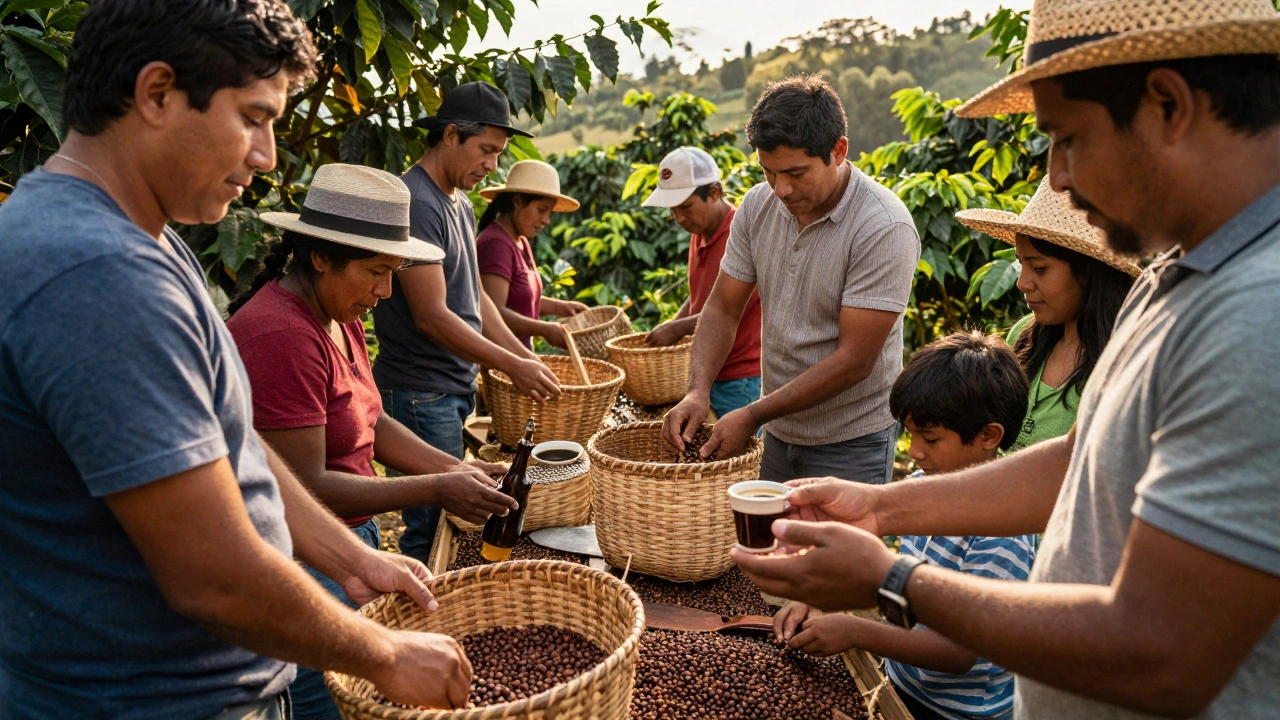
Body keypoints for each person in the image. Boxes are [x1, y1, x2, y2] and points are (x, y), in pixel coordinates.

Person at [733, 1, 1280, 718]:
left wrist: (896, 581)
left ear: (1168, 106)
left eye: (1066, 138)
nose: (1054, 177)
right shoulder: (1181, 275)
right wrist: (880, 505)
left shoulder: (1257, 314)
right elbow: (1085, 461)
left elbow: (1162, 653)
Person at [0, 2, 474, 718]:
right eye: (254, 118)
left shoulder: (144, 239)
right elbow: (211, 576)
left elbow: (226, 447)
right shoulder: (96, 271)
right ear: (156, 94)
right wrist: (385, 655)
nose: (267, 156)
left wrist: (351, 560)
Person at [225, 163, 519, 720]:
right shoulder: (282, 336)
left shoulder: (337, 311)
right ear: (320, 257)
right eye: (376, 272)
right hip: (306, 561)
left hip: (347, 545)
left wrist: (455, 468)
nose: (386, 291)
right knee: (329, 704)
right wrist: (435, 488)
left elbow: (371, 422)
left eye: (396, 271)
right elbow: (307, 492)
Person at [663, 74, 921, 484]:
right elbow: (724, 308)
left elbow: (855, 360)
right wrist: (697, 390)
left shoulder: (882, 227)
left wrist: (753, 413)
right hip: (779, 431)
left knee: (836, 547)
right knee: (769, 544)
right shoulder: (756, 206)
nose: (781, 189)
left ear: (838, 151)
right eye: (769, 172)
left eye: (797, 173)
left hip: (851, 440)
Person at [773, 331, 1033, 720]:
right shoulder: (919, 491)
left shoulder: (1004, 533)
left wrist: (857, 632)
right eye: (910, 434)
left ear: (988, 436)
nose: (914, 452)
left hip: (959, 711)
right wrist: (813, 597)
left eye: (930, 438)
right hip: (903, 684)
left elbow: (960, 654)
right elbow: (870, 566)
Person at [372, 81, 561, 564]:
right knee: (431, 525)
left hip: (448, 387)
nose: (492, 165)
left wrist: (522, 356)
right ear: (451, 134)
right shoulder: (417, 201)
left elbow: (474, 297)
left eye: (499, 153)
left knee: (446, 521)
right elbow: (433, 316)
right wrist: (509, 364)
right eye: (486, 150)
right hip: (418, 391)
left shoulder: (457, 200)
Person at [956, 178, 1139, 451]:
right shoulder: (1024, 336)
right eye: (1022, 265)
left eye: (1039, 268)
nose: (1022, 283)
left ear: (1088, 273)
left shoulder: (1123, 362)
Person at [642, 146, 763, 420]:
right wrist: (672, 324)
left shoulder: (739, 236)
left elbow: (733, 307)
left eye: (686, 207)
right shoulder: (700, 232)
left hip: (738, 376)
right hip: (708, 372)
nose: (680, 219)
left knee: (738, 460)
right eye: (673, 210)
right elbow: (699, 296)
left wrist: (677, 329)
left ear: (714, 193)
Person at [475, 159, 588, 349]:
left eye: (549, 212)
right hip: (502, 362)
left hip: (520, 358)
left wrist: (561, 307)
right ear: (518, 202)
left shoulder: (521, 241)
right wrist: (544, 329)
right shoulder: (496, 243)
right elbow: (493, 312)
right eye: (541, 210)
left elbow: (520, 300)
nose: (546, 220)